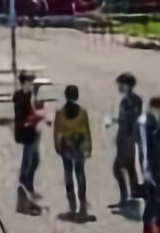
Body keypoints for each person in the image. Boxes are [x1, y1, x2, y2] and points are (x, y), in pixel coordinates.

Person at [54, 85, 95, 222]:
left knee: (68, 175)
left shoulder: (60, 113)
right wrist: (89, 147)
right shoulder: (82, 112)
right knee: (80, 174)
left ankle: (72, 204)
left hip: (66, 147)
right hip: (78, 147)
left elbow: (57, 132)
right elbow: (87, 131)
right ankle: (82, 204)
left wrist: (57, 147)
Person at [107, 72, 143, 207]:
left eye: (121, 85)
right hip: (126, 138)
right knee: (130, 167)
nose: (119, 87)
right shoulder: (127, 100)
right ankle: (134, 193)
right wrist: (115, 120)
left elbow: (132, 119)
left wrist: (119, 121)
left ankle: (124, 197)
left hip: (127, 139)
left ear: (127, 86)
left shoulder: (132, 101)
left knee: (117, 169)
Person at [137, 96, 160, 233]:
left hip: (159, 164)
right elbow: (144, 148)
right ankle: (147, 228)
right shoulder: (144, 123)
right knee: (151, 198)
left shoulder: (158, 121)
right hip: (150, 166)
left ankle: (159, 224)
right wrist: (146, 173)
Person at [14, 70, 45, 215]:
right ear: (24, 82)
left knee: (35, 160)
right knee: (29, 160)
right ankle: (24, 185)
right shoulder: (21, 96)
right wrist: (37, 116)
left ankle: (27, 184)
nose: (31, 83)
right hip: (27, 133)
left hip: (32, 132)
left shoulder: (28, 96)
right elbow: (24, 116)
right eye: (30, 81)